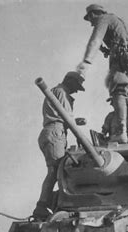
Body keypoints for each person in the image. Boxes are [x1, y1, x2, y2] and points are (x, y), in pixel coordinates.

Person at [76, 4, 128, 143]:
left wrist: (86, 62)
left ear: (94, 14)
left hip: (123, 61)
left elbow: (95, 40)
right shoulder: (115, 20)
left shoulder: (103, 19)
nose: (91, 23)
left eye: (90, 19)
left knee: (118, 93)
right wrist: (107, 51)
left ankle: (120, 133)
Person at [32, 71, 85, 220]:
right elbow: (67, 118)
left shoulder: (56, 91)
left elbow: (63, 116)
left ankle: (45, 204)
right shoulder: (62, 92)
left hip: (52, 131)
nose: (76, 91)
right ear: (70, 82)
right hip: (56, 132)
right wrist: (79, 136)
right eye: (76, 87)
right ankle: (42, 206)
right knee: (56, 171)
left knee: (56, 171)